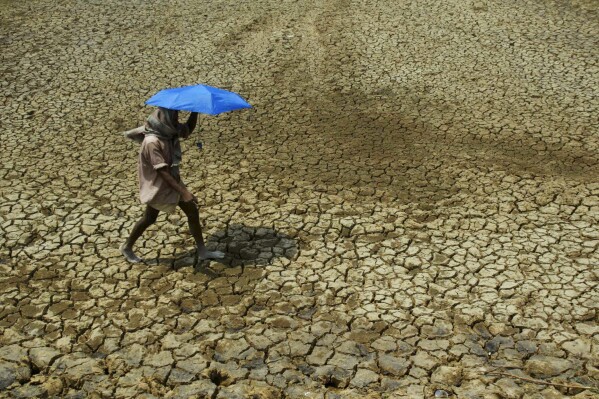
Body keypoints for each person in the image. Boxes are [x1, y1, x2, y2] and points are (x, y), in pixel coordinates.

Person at [121, 107, 224, 263]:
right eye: (174, 116)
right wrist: (183, 192)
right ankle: (127, 247)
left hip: (172, 181)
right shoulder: (152, 142)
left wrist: (195, 111)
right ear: (165, 118)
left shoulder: (168, 131)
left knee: (192, 212)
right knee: (149, 218)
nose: (176, 119)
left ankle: (203, 251)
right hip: (159, 186)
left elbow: (187, 129)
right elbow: (162, 171)